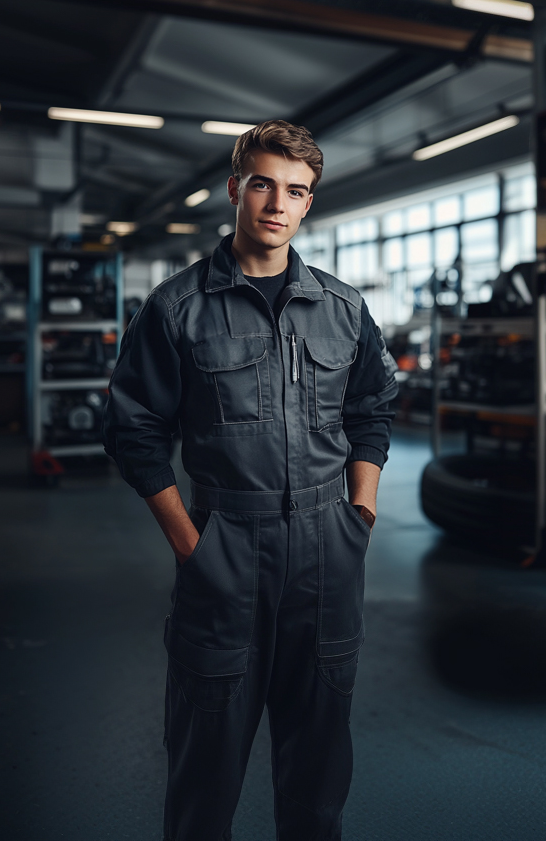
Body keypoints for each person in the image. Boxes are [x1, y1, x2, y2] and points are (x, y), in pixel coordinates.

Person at [105, 119, 399, 841]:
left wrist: (358, 515)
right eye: (263, 184)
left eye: (296, 191)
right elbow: (132, 427)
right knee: (204, 774)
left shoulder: (343, 309)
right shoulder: (176, 309)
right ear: (236, 188)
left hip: (328, 553)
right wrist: (191, 543)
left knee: (319, 773)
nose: (277, 202)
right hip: (227, 547)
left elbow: (372, 409)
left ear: (308, 204)